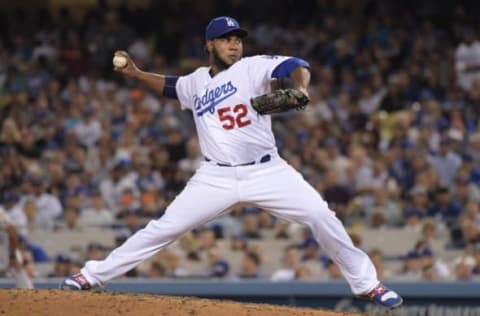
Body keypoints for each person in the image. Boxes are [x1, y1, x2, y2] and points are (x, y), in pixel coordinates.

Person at [60, 16, 403, 309]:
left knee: (319, 214)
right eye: (226, 39)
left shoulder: (253, 67)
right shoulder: (195, 81)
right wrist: (136, 74)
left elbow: (296, 66)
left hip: (266, 170)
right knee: (164, 228)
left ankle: (366, 284)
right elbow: (170, 86)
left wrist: (302, 89)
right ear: (210, 44)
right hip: (215, 176)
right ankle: (91, 275)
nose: (234, 45)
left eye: (237, 39)